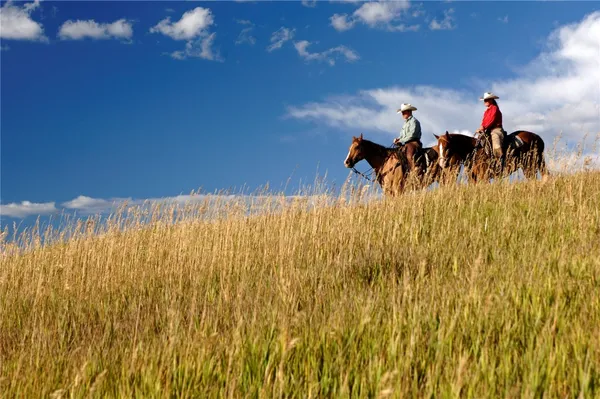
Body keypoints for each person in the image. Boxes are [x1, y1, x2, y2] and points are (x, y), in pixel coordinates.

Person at [475, 92, 505, 158]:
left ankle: (500, 158)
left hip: (496, 129)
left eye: (487, 100)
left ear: (491, 100)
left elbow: (492, 119)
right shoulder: (486, 111)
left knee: (495, 138)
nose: (485, 101)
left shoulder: (494, 108)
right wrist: (481, 127)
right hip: (488, 130)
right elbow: (484, 121)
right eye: (484, 100)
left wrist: (484, 127)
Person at [393, 103, 422, 169]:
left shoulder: (414, 121)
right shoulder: (405, 123)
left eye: (404, 112)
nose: (402, 114)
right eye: (402, 112)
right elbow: (401, 135)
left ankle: (415, 168)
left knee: (409, 154)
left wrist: (401, 140)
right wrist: (398, 139)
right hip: (405, 143)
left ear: (409, 111)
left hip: (414, 143)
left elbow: (412, 135)